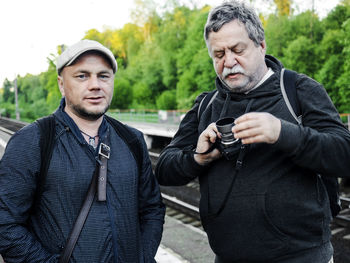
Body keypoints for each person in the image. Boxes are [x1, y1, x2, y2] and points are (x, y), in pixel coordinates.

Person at [155, 1, 350, 262]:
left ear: (261, 45)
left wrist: (283, 133)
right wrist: (196, 159)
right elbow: (165, 169)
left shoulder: (298, 90)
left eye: (238, 49)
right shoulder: (206, 105)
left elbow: (344, 154)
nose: (229, 61)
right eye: (219, 54)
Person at [0, 39, 165, 262]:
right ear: (61, 83)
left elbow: (152, 209)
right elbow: (6, 224)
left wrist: (143, 257)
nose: (95, 85)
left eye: (103, 75)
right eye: (82, 76)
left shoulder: (132, 140)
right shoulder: (33, 141)